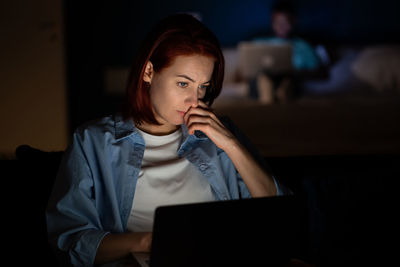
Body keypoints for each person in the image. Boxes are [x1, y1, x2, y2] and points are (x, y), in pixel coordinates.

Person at [46, 13, 286, 266]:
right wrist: (149, 242)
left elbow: (278, 215)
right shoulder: (93, 142)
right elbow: (70, 242)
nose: (195, 101)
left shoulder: (220, 134)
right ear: (149, 71)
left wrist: (231, 144)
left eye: (202, 87)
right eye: (183, 83)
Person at [253, 0, 323, 103]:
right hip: (262, 81)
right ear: (272, 23)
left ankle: (282, 97)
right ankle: (268, 100)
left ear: (293, 22)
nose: (281, 26)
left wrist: (298, 72)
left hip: (291, 81)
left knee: (288, 80)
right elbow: (241, 73)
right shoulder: (258, 44)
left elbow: (319, 72)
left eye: (285, 22)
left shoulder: (302, 46)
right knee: (264, 79)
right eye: (277, 22)